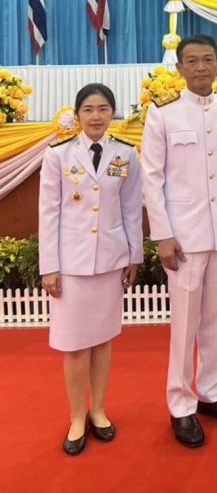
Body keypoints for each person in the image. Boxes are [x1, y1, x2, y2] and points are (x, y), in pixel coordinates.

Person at [141, 34, 217, 448]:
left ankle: (211, 392)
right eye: (192, 61)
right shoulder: (163, 113)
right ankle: (180, 404)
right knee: (184, 324)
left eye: (208, 59)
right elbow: (152, 178)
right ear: (180, 68)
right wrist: (163, 235)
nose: (201, 67)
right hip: (183, 236)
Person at [39, 83, 143, 456]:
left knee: (101, 340)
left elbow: (131, 208)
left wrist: (134, 255)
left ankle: (98, 410)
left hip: (110, 261)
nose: (96, 116)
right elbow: (48, 213)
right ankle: (76, 417)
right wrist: (49, 267)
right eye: (88, 109)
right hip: (71, 264)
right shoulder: (58, 154)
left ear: (112, 112)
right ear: (78, 114)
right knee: (74, 345)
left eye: (103, 109)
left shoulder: (126, 153)